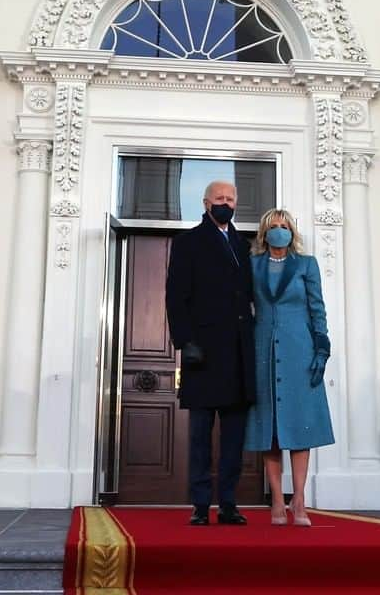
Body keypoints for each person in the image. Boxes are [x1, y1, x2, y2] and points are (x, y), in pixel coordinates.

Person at [165, 180, 255, 526]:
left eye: (231, 198)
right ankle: (201, 504)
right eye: (220, 198)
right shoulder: (187, 242)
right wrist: (184, 341)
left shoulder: (242, 245)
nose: (226, 203)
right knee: (200, 436)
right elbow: (175, 296)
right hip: (201, 353)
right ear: (206, 203)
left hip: (238, 356)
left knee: (234, 438)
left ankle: (229, 503)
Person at [243, 208, 333, 527]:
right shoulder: (252, 265)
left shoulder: (306, 265)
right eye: (273, 227)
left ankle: (300, 499)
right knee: (270, 430)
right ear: (264, 233)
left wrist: (321, 346)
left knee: (301, 426)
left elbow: (316, 306)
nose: (279, 231)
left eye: (284, 226)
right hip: (263, 348)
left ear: (292, 232)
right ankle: (277, 501)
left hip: (300, 347)